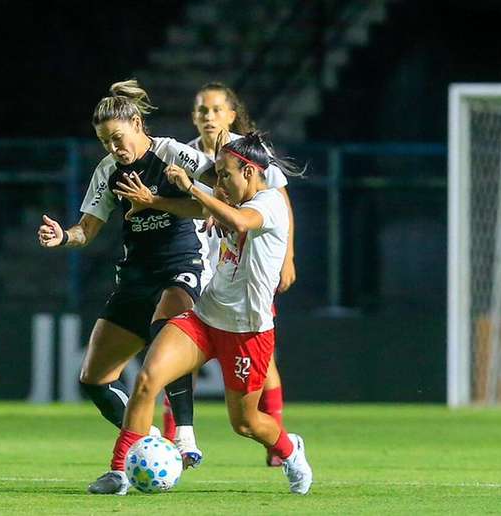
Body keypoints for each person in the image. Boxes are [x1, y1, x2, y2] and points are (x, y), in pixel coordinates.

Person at [87, 132, 313, 496]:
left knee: (246, 423)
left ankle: (290, 449)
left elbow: (240, 222)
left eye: (226, 174)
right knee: (148, 379)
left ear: (251, 171)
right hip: (206, 318)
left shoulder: (270, 203)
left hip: (247, 330)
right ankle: (119, 472)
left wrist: (192, 187)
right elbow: (200, 210)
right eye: (218, 175)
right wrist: (158, 201)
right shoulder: (231, 197)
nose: (220, 181)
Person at [38, 79, 213, 467]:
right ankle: (148, 443)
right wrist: (62, 236)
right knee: (93, 379)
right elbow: (86, 231)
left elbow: (216, 199)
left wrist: (157, 201)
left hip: (180, 266)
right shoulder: (108, 171)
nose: (114, 148)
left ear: (137, 123)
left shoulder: (174, 155)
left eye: (118, 138)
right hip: (136, 277)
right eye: (105, 143)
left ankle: (183, 436)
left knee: (166, 327)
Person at [160, 82, 297, 468]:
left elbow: (267, 206)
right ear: (193, 116)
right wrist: (156, 201)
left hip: (249, 292)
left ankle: (280, 443)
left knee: (249, 404)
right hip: (206, 274)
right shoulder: (191, 156)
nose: (209, 117)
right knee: (165, 359)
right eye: (202, 110)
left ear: (232, 114)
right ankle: (178, 437)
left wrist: (288, 256)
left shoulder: (247, 157)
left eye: (217, 109)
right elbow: (198, 209)